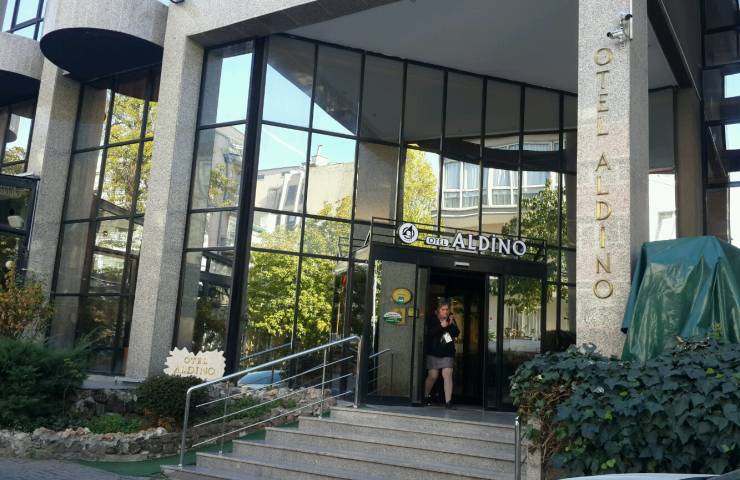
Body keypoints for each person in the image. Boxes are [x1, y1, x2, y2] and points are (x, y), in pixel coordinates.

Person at [424, 298, 460, 409]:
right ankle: (425, 396)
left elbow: (456, 333)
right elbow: (429, 334)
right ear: (438, 310)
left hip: (447, 351)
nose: (445, 311)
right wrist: (441, 326)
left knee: (447, 374)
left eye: (447, 309)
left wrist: (451, 323)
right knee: (433, 375)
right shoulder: (432, 319)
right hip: (434, 351)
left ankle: (448, 402)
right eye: (443, 309)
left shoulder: (450, 318)